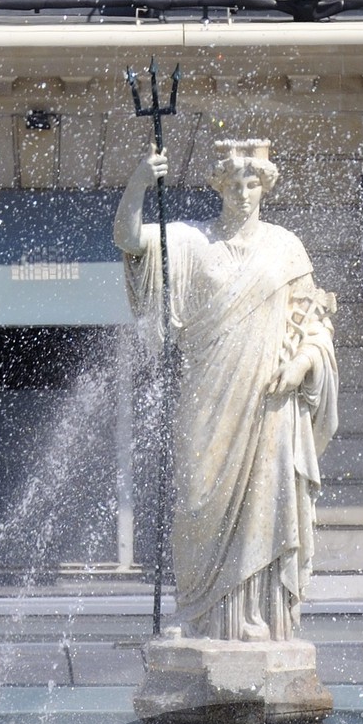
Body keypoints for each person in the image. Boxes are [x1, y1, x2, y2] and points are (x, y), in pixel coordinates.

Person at [113, 138, 338, 642]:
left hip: (268, 403)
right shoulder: (191, 240)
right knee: (196, 499)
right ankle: (196, 615)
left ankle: (260, 620)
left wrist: (302, 364)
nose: (242, 192)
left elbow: (314, 324)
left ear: (265, 188)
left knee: (265, 502)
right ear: (219, 187)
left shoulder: (286, 248)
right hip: (205, 397)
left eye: (252, 183)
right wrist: (138, 184)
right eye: (233, 183)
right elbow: (129, 240)